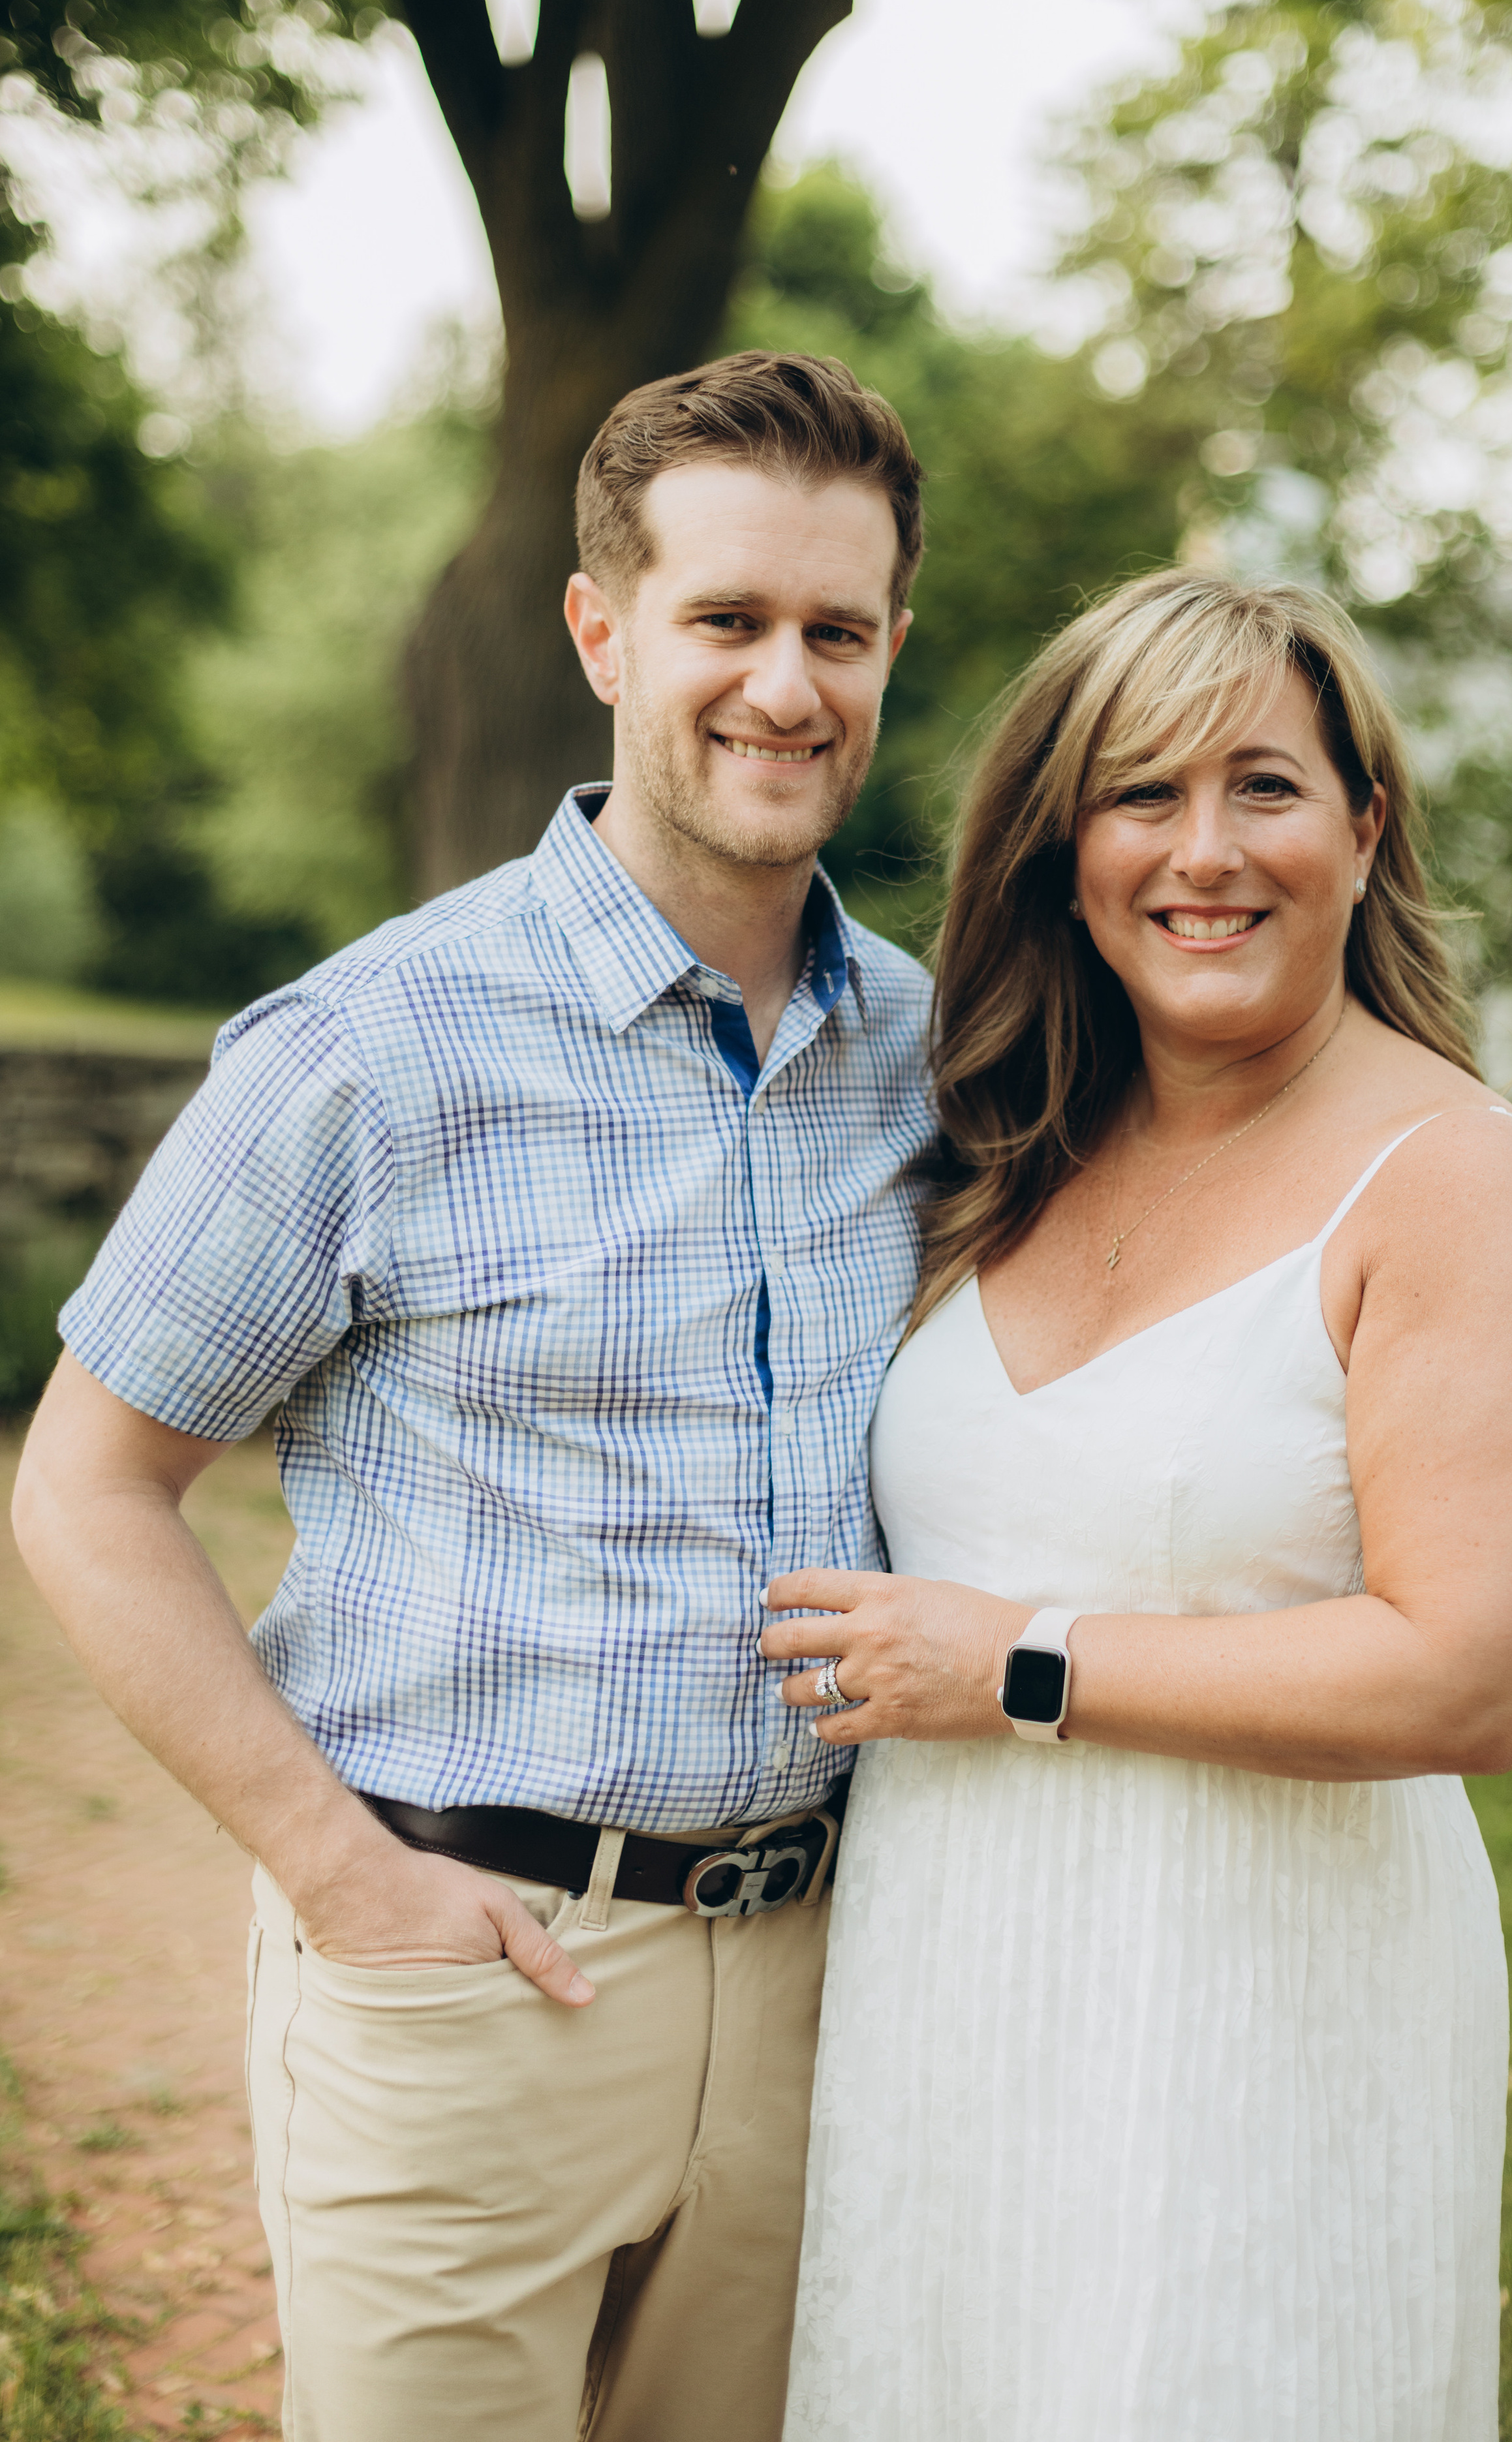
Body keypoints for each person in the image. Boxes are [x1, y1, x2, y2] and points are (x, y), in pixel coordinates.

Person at [10, 350, 936, 2442]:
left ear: (890, 653)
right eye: (728, 620)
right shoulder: (370, 1046)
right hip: (472, 1963)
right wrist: (344, 1882)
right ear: (604, 631)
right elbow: (85, 1488)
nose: (786, 685)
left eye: (837, 632)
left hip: (818, 1974)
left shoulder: (930, 1052)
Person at [762, 570, 1512, 2442]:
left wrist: (1029, 1669)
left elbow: (1472, 1678)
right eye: (1142, 795)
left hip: (1264, 2013)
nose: (1203, 852)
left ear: (1367, 827)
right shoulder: (1007, 1149)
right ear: (1064, 851)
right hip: (951, 1988)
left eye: (1267, 789)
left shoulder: (1459, 1185)